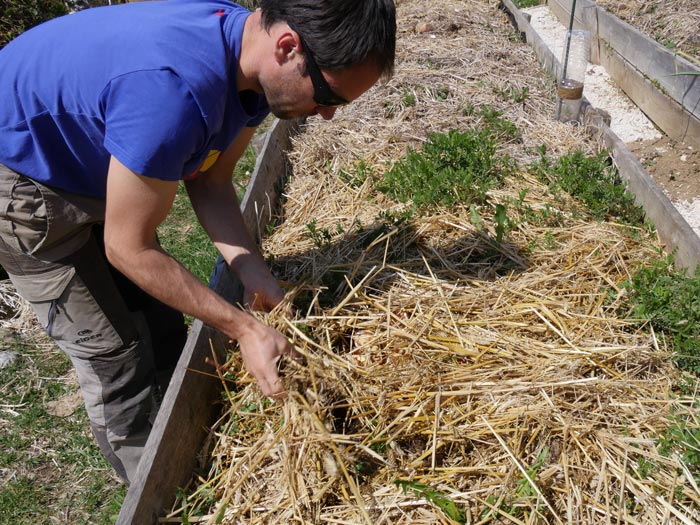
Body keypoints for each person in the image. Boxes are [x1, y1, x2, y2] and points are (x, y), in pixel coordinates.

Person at [0, 0, 396, 484]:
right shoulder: (173, 94)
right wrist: (245, 330)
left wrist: (256, 276)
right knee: (115, 355)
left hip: (76, 147)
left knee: (161, 323)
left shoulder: (247, 59)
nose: (329, 116)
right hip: (19, 176)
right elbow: (128, 248)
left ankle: (178, 434)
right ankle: (159, 488)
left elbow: (210, 182)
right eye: (329, 96)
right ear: (288, 47)